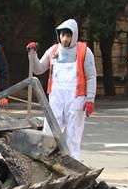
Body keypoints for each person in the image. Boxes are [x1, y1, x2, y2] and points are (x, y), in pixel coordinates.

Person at [26, 19, 96, 160]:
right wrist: (32, 54)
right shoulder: (53, 50)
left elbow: (91, 77)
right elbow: (38, 69)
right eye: (63, 35)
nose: (65, 39)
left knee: (73, 134)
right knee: (50, 130)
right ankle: (46, 159)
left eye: (68, 35)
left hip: (76, 98)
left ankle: (73, 161)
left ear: (74, 35)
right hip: (56, 97)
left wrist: (90, 99)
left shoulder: (84, 51)